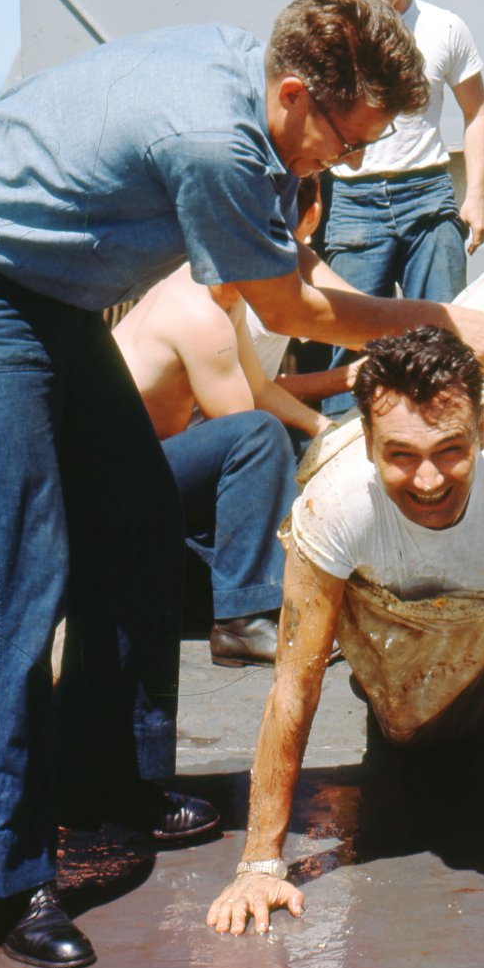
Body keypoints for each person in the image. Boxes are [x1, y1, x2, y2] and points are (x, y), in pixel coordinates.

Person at [0, 0, 484, 968]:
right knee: (27, 576)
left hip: (56, 297)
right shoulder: (218, 144)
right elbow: (291, 307)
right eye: (345, 143)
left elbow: (293, 264)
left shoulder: (256, 84)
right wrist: (442, 320)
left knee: (139, 516)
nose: (345, 166)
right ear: (297, 95)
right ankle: (6, 878)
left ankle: (112, 783)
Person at [205, 325, 484, 935]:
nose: (429, 481)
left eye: (450, 450)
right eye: (401, 455)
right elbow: (294, 684)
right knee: (403, 733)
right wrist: (259, 864)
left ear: (482, 431)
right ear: (367, 444)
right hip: (380, 617)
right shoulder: (333, 503)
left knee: (455, 731)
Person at [112, 261, 335, 667]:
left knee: (285, 440)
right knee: (260, 437)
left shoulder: (225, 298)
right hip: (112, 485)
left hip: (149, 477)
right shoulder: (199, 313)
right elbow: (247, 429)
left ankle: (244, 599)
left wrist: (325, 429)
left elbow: (259, 388)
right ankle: (242, 624)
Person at [323, 0, 484, 401]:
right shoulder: (332, 32)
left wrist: (476, 195)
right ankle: (340, 438)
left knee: (445, 340)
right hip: (354, 202)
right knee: (348, 344)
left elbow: (477, 112)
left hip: (428, 195)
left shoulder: (445, 27)